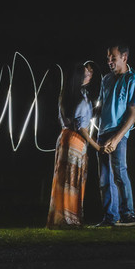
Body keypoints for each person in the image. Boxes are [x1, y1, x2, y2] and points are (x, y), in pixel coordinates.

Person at [46, 61, 101, 229]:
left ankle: (60, 218)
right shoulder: (81, 98)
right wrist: (97, 146)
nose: (90, 76)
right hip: (76, 140)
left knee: (63, 180)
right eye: (86, 74)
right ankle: (71, 219)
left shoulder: (67, 94)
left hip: (63, 138)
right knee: (73, 180)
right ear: (79, 77)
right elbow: (82, 129)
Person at [94, 43, 135, 227]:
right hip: (102, 132)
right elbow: (101, 107)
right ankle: (110, 217)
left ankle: (129, 214)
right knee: (105, 178)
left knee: (119, 173)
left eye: (113, 58)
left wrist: (117, 138)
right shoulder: (106, 79)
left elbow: (133, 114)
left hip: (118, 134)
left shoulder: (133, 80)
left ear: (124, 57)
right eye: (108, 58)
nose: (109, 61)